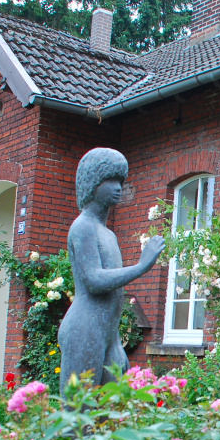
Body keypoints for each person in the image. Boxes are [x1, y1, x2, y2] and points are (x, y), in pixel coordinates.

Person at [58, 148, 166, 392]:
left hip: (106, 332)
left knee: (113, 409)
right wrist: (141, 267)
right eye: (111, 180)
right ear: (93, 183)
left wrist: (115, 342)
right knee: (78, 414)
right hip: (84, 329)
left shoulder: (108, 235)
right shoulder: (83, 227)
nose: (118, 187)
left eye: (121, 181)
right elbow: (94, 280)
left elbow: (113, 298)